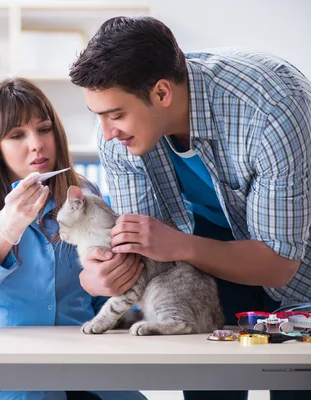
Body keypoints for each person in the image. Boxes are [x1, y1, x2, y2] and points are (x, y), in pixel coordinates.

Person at [69, 16, 311, 400]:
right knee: (209, 386)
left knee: (297, 383)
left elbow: (281, 263)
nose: (107, 132)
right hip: (205, 252)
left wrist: (179, 245)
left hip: (297, 254)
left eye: (115, 115)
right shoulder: (115, 138)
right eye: (98, 116)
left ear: (162, 93)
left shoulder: (271, 109)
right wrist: (100, 276)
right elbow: (146, 256)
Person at [0, 77, 147, 400]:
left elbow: (101, 298)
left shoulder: (83, 195)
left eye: (44, 129)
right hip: (7, 370)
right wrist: (4, 232)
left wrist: (110, 279)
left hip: (84, 364)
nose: (36, 144)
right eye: (17, 135)